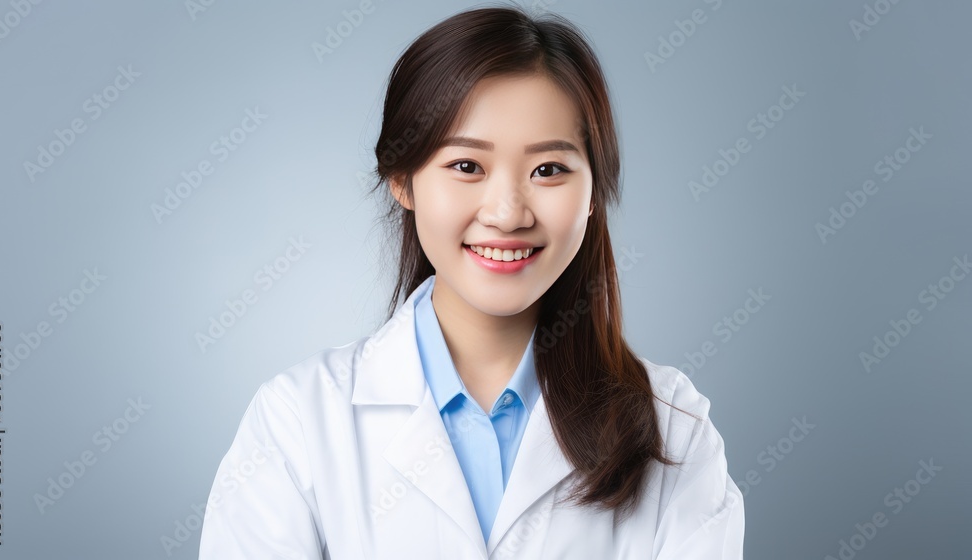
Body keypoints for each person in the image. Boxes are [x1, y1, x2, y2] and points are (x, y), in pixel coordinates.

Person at [199, 5, 744, 558]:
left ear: (594, 194)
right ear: (402, 180)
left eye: (548, 170)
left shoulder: (672, 428)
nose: (507, 213)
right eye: (466, 166)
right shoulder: (298, 422)